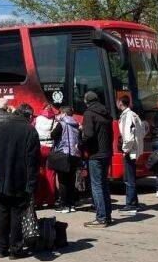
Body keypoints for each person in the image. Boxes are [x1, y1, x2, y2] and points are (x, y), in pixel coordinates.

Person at [0, 104, 40, 259]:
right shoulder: (30, 131)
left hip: (1, 179)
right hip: (19, 180)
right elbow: (33, 161)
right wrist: (31, 184)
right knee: (17, 213)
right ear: (28, 116)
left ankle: (1, 248)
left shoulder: (1, 128)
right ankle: (15, 249)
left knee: (3, 213)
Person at [81, 91, 113, 227]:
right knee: (104, 185)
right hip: (106, 153)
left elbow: (88, 134)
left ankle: (100, 218)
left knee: (96, 186)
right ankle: (107, 216)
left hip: (95, 154)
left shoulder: (89, 113)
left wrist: (80, 144)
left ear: (86, 101)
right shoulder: (106, 113)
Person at [117, 95, 146, 213]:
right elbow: (142, 131)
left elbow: (128, 137)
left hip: (129, 151)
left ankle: (131, 204)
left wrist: (125, 150)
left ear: (120, 103)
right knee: (131, 177)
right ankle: (135, 202)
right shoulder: (134, 115)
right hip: (135, 150)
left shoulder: (127, 116)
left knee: (129, 179)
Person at [51, 107, 81, 213]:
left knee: (63, 181)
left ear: (63, 113)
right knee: (71, 180)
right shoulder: (76, 124)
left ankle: (63, 205)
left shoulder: (61, 124)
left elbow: (53, 135)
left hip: (63, 154)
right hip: (75, 154)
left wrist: (56, 123)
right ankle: (71, 204)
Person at [32, 104, 58, 207]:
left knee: (40, 174)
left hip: (40, 148)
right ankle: (51, 200)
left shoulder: (36, 119)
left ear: (42, 109)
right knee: (51, 174)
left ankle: (39, 200)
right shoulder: (55, 120)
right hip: (51, 148)